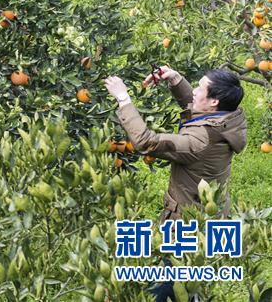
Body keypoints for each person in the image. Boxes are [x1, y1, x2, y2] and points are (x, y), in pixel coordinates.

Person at [105, 67, 246, 302]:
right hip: (209, 218)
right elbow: (198, 109)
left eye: (200, 87)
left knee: (162, 287)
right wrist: (175, 79)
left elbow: (146, 143)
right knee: (187, 283)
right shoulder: (229, 117)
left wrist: (123, 98)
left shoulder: (199, 141)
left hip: (187, 226)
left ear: (213, 101)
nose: (195, 90)